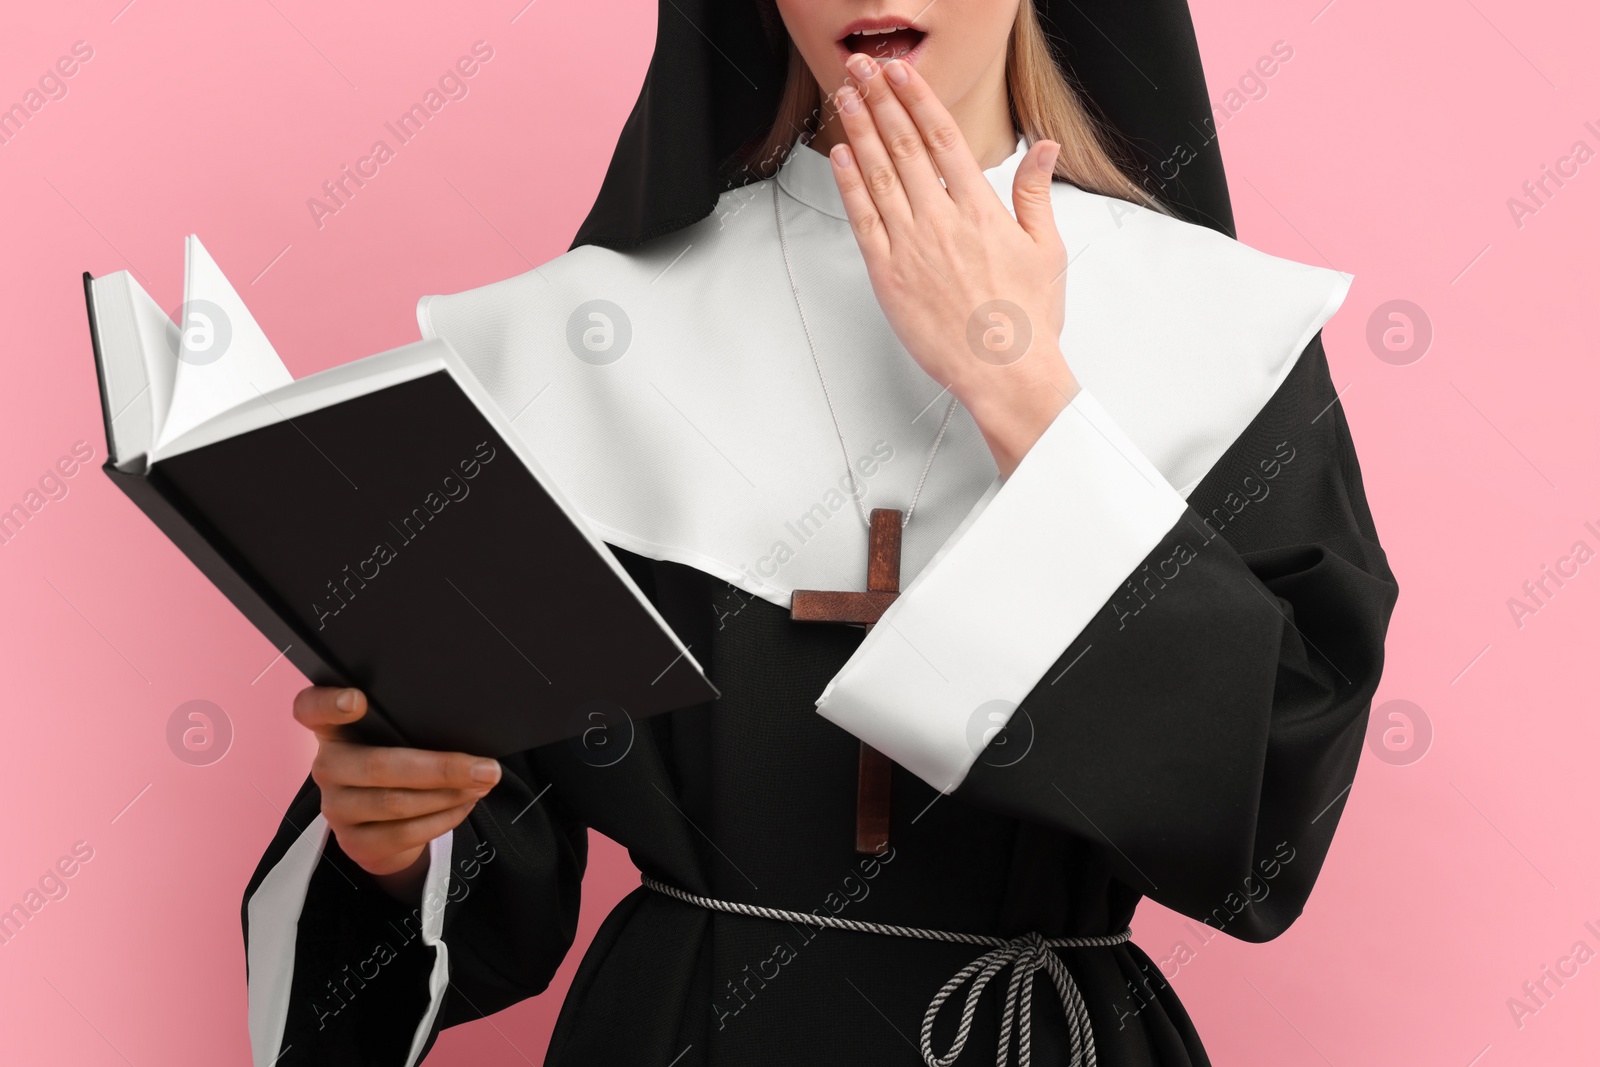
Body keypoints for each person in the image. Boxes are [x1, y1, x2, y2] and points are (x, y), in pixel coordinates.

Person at [243, 1, 1399, 1064]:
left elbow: (1267, 828)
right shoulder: (575, 340)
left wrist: (1023, 394)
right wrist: (393, 843)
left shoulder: (1221, 330)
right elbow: (485, 856)